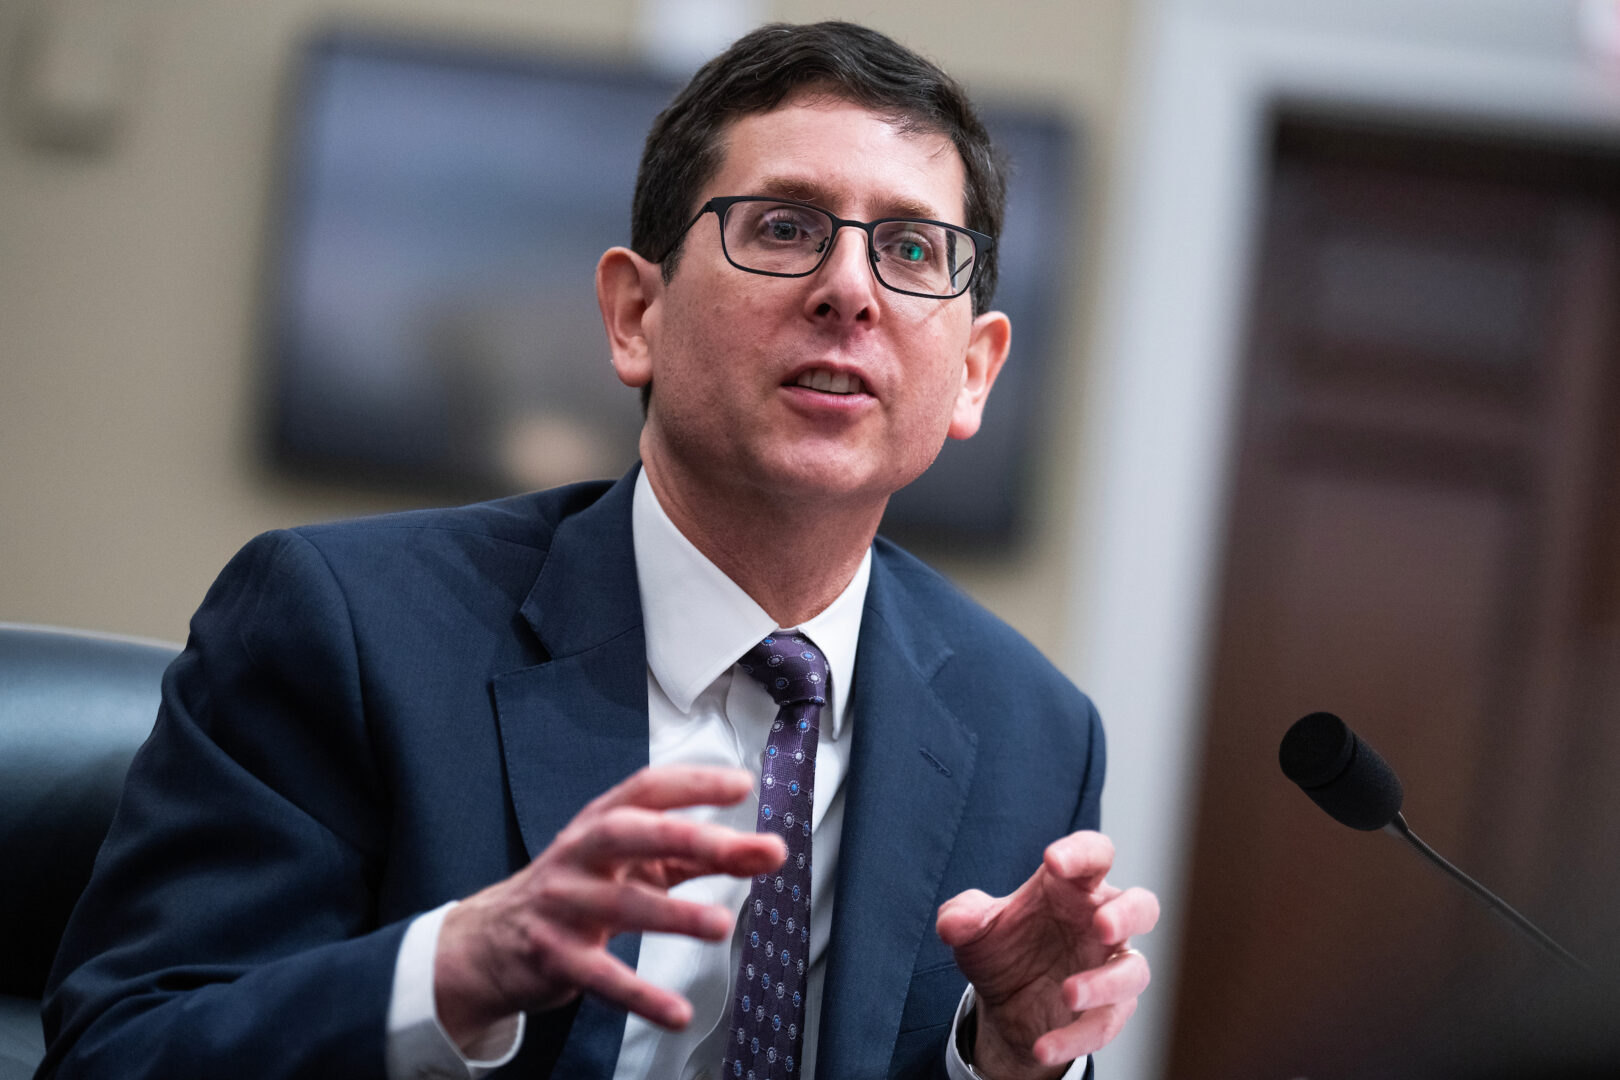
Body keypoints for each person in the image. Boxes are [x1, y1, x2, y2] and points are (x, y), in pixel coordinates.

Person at [38, 20, 1158, 1080]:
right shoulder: (342, 626)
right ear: (636, 316)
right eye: (784, 227)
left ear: (972, 371)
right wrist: (454, 970)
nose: (850, 293)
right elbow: (118, 1051)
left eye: (912, 248)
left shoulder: (1034, 733)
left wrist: (1001, 1061)